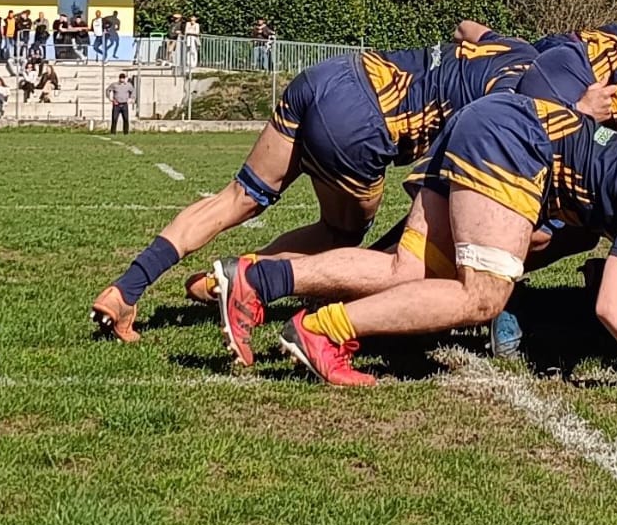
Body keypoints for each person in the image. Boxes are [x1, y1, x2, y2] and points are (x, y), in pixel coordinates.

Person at [218, 63, 617, 387]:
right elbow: (613, 307)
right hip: (514, 141)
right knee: (483, 297)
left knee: (412, 268)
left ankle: (258, 280)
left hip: (506, 121)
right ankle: (322, 332)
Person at [92, 23, 538, 340]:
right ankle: (232, 281)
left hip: (337, 73)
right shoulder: (520, 96)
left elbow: (465, 27)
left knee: (238, 196)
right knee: (342, 233)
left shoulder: (514, 48)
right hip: (366, 124)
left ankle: (127, 288)